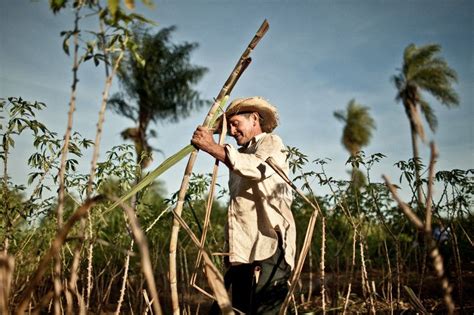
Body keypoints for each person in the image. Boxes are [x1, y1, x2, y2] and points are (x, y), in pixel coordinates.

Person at [191, 96, 296, 314]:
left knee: (265, 310)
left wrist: (212, 147)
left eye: (235, 123)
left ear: (254, 119)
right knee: (235, 308)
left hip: (270, 243)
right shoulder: (239, 155)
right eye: (229, 126)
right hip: (243, 249)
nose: (231, 130)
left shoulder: (271, 143)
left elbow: (256, 167)